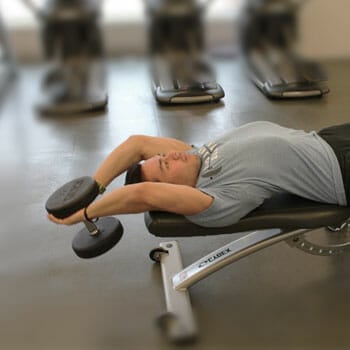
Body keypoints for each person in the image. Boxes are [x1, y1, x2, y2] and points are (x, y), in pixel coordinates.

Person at [48, 121, 349, 228]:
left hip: (330, 138)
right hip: (342, 169)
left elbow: (137, 144)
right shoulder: (215, 196)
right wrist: (84, 214)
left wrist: (92, 188)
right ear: (174, 192)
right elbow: (140, 194)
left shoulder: (196, 153)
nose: (169, 155)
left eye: (162, 157)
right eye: (165, 166)